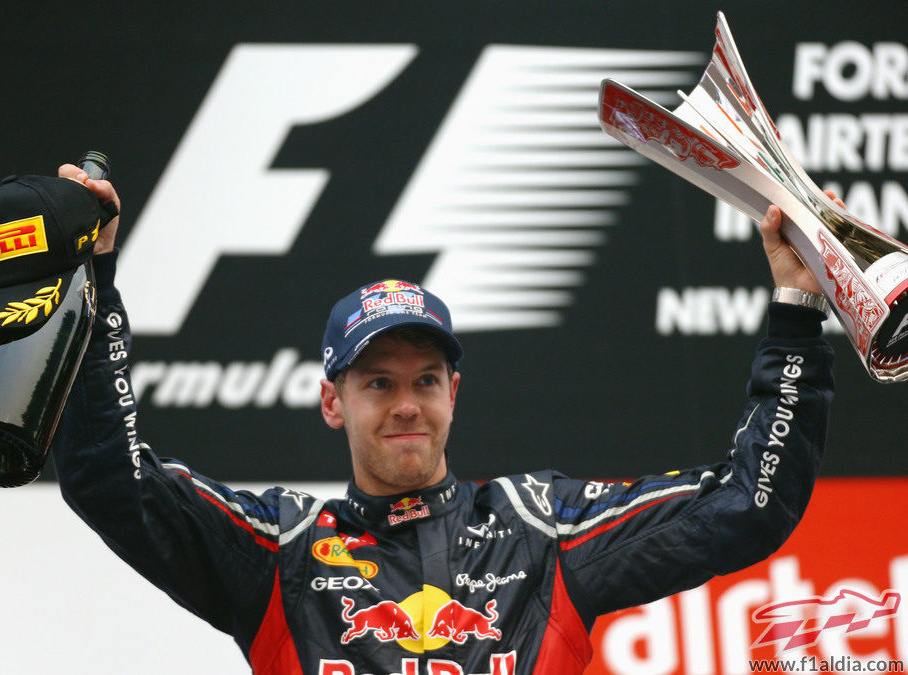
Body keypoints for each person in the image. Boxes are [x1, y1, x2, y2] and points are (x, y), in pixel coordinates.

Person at [51, 162, 835, 675]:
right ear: (332, 400)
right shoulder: (277, 550)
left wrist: (798, 308)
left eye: (425, 379)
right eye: (376, 381)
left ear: (454, 392)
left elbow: (747, 503)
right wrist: (94, 286)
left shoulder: (543, 529)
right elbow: (108, 479)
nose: (404, 405)